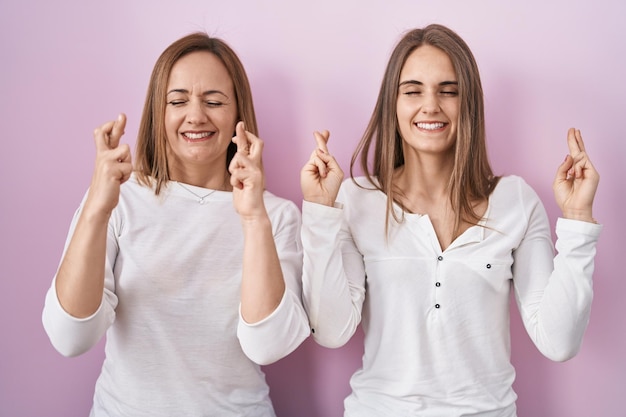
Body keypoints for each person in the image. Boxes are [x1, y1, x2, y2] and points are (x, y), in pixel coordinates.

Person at [300, 24, 602, 416]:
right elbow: (331, 331)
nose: (430, 105)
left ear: (469, 103)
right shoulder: (356, 200)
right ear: (393, 103)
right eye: (413, 91)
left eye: (449, 90)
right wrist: (321, 212)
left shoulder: (516, 200)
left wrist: (578, 219)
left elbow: (558, 341)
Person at [42, 32, 309, 416]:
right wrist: (97, 209)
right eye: (178, 101)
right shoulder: (118, 199)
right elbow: (69, 338)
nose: (196, 115)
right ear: (159, 112)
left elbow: (266, 345)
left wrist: (252, 218)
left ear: (238, 114)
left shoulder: (276, 217)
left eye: (214, 101)